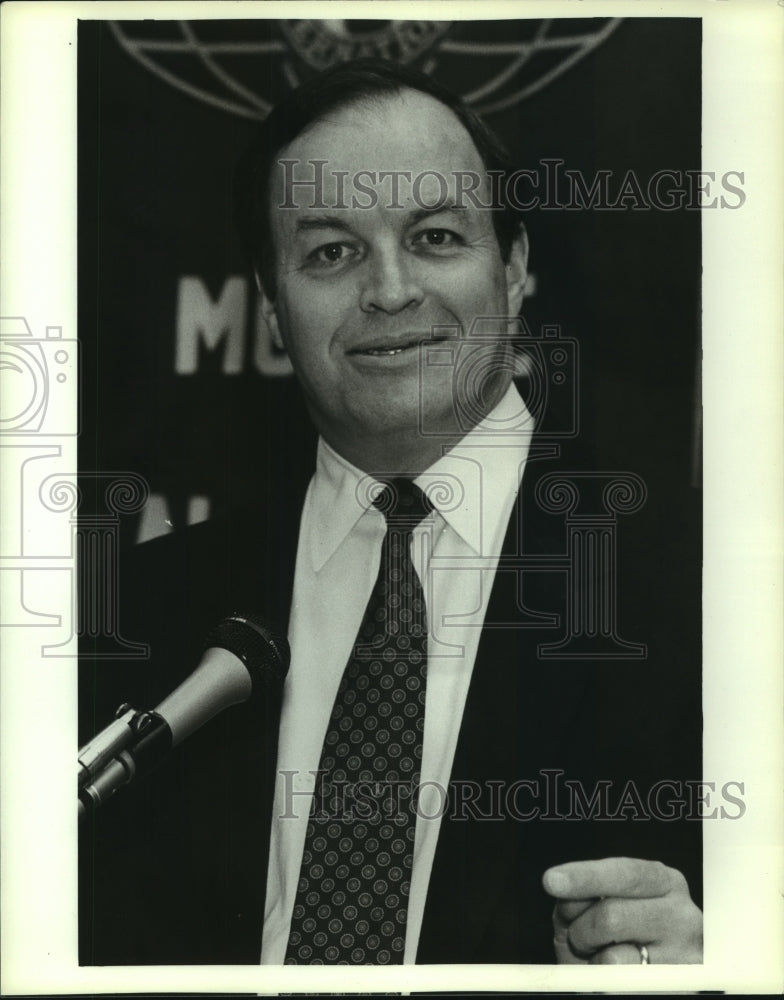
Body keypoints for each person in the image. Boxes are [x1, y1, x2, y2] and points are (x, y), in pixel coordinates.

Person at [79, 59, 703, 967]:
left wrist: (738, 963)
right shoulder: (131, 617)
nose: (390, 289)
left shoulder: (714, 587)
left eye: (438, 236)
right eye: (331, 251)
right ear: (271, 309)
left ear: (515, 266)